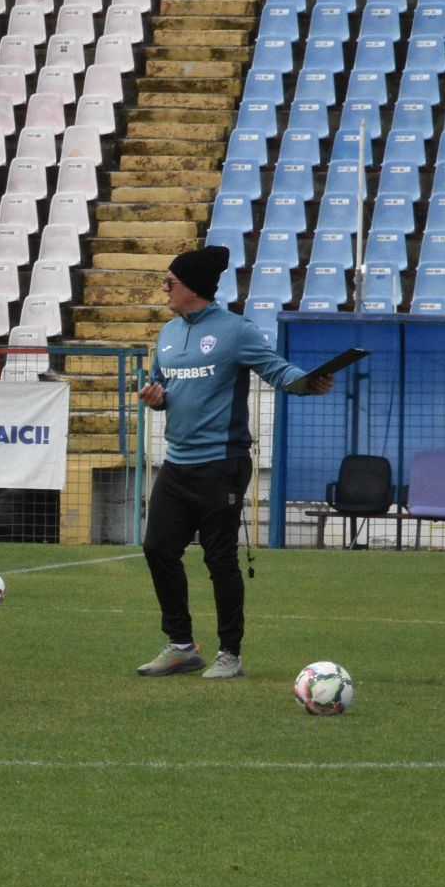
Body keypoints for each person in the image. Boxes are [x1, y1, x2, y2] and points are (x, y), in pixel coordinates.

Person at [136, 246, 334, 679]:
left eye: (170, 282)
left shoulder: (235, 331)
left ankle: (231, 654)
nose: (164, 289)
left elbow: (278, 372)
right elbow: (162, 388)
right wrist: (155, 400)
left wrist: (307, 385)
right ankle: (182, 646)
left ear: (192, 288)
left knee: (219, 558)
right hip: (178, 461)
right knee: (157, 549)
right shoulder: (167, 333)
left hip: (222, 463)